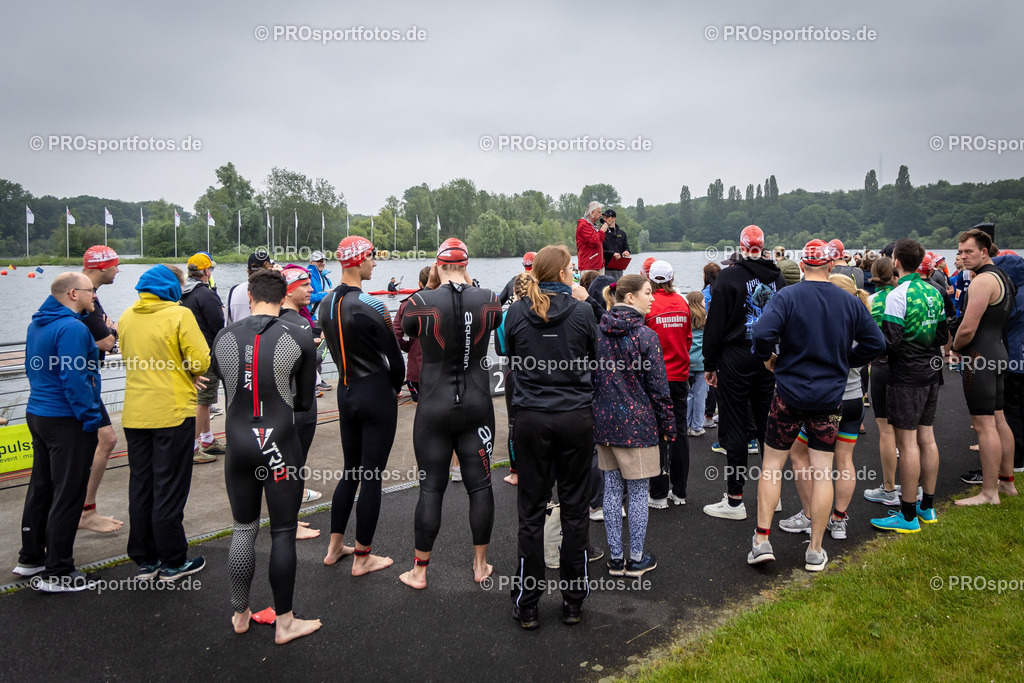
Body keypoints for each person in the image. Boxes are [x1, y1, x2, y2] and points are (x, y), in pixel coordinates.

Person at [748, 240, 884, 571]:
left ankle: (762, 540)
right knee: (823, 470)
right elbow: (876, 343)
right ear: (830, 265)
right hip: (829, 397)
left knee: (771, 465)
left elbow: (761, 333)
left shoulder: (787, 296)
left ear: (804, 265)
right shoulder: (847, 301)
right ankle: (815, 549)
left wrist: (771, 360)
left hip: (789, 394)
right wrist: (845, 360)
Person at [211, 269, 321, 644]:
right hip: (278, 444)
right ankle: (285, 622)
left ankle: (240, 612)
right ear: (283, 295)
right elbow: (305, 402)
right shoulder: (299, 335)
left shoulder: (224, 336)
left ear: (251, 294)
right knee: (283, 532)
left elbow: (218, 386)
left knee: (244, 528)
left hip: (239, 443)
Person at [501, 245, 598, 629]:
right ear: (561, 273)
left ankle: (527, 603)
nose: (574, 273)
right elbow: (597, 355)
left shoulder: (515, 312)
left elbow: (508, 356)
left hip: (532, 419)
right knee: (575, 510)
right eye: (571, 269)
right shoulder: (583, 311)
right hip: (574, 417)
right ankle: (573, 601)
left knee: (531, 512)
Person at [398, 239, 503, 590]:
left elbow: (405, 329)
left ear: (438, 265)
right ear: (467, 264)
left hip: (433, 406)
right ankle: (480, 564)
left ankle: (420, 571)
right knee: (480, 485)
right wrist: (468, 285)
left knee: (430, 488)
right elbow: (489, 317)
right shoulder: (489, 298)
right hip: (476, 405)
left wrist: (433, 285)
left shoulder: (420, 303)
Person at [319, 236, 406, 574]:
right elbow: (395, 361)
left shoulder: (324, 303)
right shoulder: (372, 304)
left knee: (350, 471)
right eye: (371, 256)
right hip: (375, 394)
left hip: (345, 391)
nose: (375, 263)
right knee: (371, 476)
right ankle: (362, 557)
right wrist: (395, 390)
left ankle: (334, 547)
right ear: (356, 261)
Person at [119, 265, 210, 580]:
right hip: (171, 412)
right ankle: (173, 560)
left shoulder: (127, 316)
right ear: (171, 287)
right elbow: (200, 360)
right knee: (169, 487)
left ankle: (146, 559)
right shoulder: (179, 314)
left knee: (141, 486)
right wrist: (188, 369)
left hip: (134, 413)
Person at [17, 273, 103, 591]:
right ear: (72, 294)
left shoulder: (37, 324)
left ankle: (31, 558)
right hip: (66, 419)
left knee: (42, 488)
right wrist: (91, 418)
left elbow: (33, 367)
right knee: (68, 493)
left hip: (38, 413)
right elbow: (75, 378)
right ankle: (59, 572)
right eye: (90, 291)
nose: (94, 295)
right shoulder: (72, 328)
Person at [778, 275, 875, 540]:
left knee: (799, 455)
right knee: (844, 461)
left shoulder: (831, 321)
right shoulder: (861, 320)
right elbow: (875, 347)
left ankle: (810, 515)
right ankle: (838, 520)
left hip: (827, 400)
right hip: (855, 399)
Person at [702, 225, 787, 520]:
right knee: (767, 424)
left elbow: (714, 325)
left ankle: (735, 499)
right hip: (766, 355)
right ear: (763, 246)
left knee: (736, 424)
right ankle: (772, 496)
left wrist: (710, 364)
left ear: (739, 246)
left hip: (736, 354)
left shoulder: (728, 277)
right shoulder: (777, 276)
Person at [595, 274, 676, 578]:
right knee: (639, 492)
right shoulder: (645, 336)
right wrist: (669, 425)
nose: (652, 298)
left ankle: (616, 558)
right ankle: (637, 558)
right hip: (638, 424)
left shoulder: (598, 332)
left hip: (605, 422)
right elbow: (658, 387)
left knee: (612, 490)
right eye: (647, 293)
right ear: (629, 298)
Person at [870, 239, 948, 533]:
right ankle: (927, 507)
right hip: (931, 370)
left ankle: (907, 515)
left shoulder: (897, 295)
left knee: (907, 442)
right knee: (927, 437)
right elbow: (942, 336)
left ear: (896, 262)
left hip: (906, 374)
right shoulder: (934, 291)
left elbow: (890, 342)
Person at [950, 229, 1019, 504]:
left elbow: (967, 327)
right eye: (960, 251)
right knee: (999, 419)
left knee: (983, 424)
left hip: (980, 357)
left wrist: (954, 349)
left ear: (984, 252)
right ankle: (1007, 483)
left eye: (969, 251)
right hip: (998, 352)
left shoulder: (983, 281)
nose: (963, 257)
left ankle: (989, 493)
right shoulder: (1003, 277)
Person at [77, 246, 123, 533]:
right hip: (81, 382)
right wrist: (113, 332)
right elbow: (107, 341)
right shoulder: (86, 296)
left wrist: (110, 331)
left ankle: (82, 509)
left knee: (101, 441)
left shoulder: (84, 292)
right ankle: (85, 511)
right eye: (115, 265)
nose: (118, 270)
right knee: (105, 440)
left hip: (82, 381)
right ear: (102, 267)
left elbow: (106, 334)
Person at [279, 266, 325, 518]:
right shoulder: (298, 322)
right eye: (304, 285)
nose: (311, 289)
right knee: (295, 461)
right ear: (289, 290)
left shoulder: (274, 318)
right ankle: (289, 521)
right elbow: (306, 366)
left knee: (284, 461)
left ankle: (288, 515)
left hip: (280, 403)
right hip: (300, 405)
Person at [643, 261, 691, 508]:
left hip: (657, 378)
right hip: (680, 375)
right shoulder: (682, 302)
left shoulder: (649, 305)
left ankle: (658, 494)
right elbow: (688, 337)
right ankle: (680, 491)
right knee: (679, 432)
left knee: (658, 432)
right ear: (672, 278)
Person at [862, 258, 905, 507]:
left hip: (880, 365)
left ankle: (889, 487)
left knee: (886, 430)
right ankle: (914, 487)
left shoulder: (871, 301)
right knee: (910, 432)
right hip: (907, 366)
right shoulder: (904, 296)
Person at [181, 252, 226, 463]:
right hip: (205, 353)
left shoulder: (181, 291)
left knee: (204, 401)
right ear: (206, 271)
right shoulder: (206, 294)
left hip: (186, 354)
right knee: (202, 401)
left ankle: (207, 439)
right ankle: (192, 448)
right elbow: (218, 325)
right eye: (211, 269)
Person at [393, 267, 431, 402]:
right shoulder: (451, 302)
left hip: (417, 369)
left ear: (420, 284)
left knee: (420, 412)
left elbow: (395, 336)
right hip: (445, 371)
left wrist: (409, 347)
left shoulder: (407, 304)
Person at [306, 250, 333, 392]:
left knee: (321, 353)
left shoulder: (325, 278)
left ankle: (318, 379)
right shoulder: (308, 276)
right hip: (311, 319)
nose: (321, 263)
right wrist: (325, 294)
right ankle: (310, 383)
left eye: (323, 260)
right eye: (318, 261)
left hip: (323, 319)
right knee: (312, 353)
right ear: (311, 263)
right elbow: (308, 298)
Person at [226, 252, 276, 324]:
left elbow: (227, 322)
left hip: (236, 333)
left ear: (248, 269)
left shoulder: (233, 291)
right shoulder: (275, 291)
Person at [685, 291, 709, 437]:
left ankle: (686, 424)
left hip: (687, 361)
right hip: (701, 362)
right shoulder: (706, 318)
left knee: (688, 394)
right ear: (699, 302)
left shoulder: (686, 317)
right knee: (700, 396)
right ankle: (697, 427)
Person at [576, 201, 608, 273]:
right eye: (599, 212)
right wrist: (602, 231)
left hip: (598, 265)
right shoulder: (583, 226)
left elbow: (599, 241)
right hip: (589, 266)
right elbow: (594, 241)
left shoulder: (593, 226)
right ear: (593, 213)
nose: (601, 215)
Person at [601, 210, 631, 279]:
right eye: (604, 217)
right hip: (606, 268)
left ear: (614, 218)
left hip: (619, 269)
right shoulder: (601, 233)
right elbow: (599, 250)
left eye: (607, 217)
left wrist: (627, 252)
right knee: (607, 289)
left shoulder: (622, 233)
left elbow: (627, 247)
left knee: (619, 288)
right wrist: (612, 253)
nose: (605, 219)